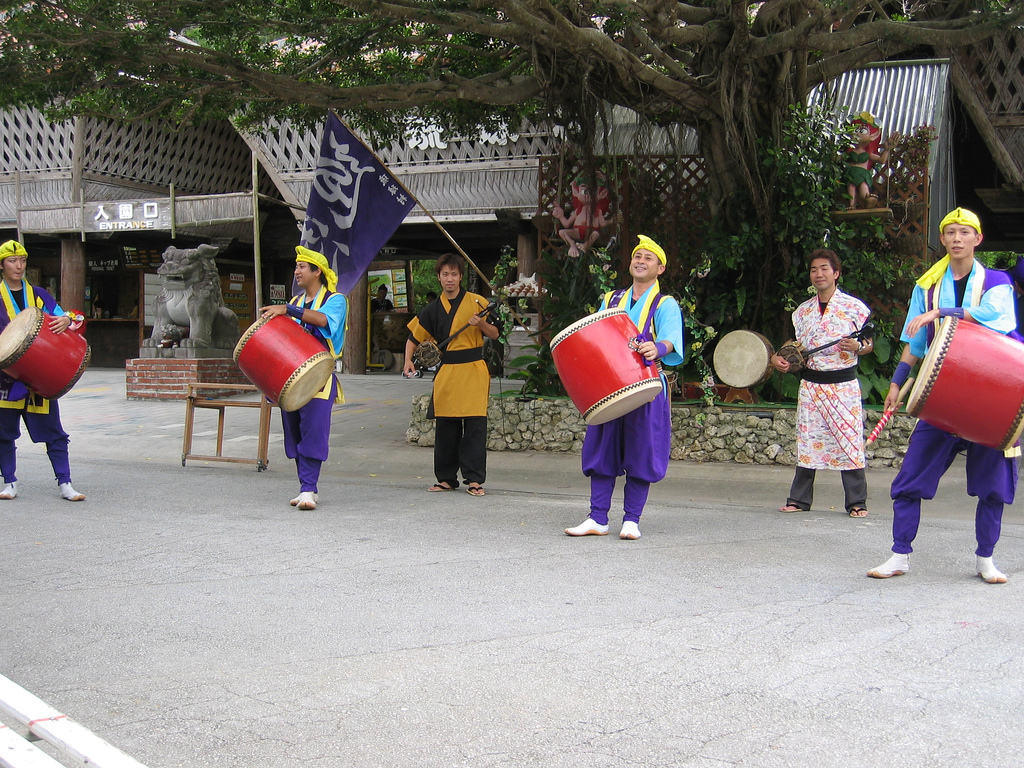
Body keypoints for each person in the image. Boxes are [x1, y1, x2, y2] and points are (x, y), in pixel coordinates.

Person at [868, 207, 1018, 583]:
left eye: (963, 232)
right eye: (949, 232)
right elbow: (914, 343)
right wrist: (897, 384)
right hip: (941, 396)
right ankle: (900, 554)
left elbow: (994, 318)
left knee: (993, 485)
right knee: (910, 477)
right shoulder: (927, 286)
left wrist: (939, 313)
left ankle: (986, 559)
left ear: (977, 239)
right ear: (943, 239)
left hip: (988, 395)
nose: (956, 238)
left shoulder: (998, 281)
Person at [565, 235, 684, 540]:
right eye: (637, 256)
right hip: (609, 386)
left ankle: (632, 519)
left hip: (647, 387)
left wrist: (657, 347)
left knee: (642, 450)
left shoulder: (665, 304)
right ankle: (597, 518)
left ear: (660, 268)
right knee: (602, 448)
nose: (640, 261)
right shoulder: (610, 299)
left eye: (648, 258)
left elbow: (671, 340)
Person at [771, 249, 873, 517]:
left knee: (849, 440)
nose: (819, 274)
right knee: (808, 441)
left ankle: (856, 502)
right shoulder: (802, 311)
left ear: (836, 273)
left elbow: (868, 344)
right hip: (812, 385)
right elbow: (794, 345)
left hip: (843, 385)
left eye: (825, 268)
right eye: (814, 269)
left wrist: (857, 346)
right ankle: (799, 500)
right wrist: (778, 358)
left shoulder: (854, 308)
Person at [402, 253, 499, 496]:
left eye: (454, 274)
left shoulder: (477, 301)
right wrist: (407, 362)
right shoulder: (432, 309)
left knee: (475, 425)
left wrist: (481, 325)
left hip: (474, 369)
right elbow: (413, 337)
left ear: (460, 277)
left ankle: (474, 480)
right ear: (439, 278)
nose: (450, 279)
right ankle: (445, 478)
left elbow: (495, 333)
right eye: (445, 274)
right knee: (446, 426)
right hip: (447, 371)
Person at [259, 246, 347, 511]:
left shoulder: (336, 299)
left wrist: (287, 310)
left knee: (313, 431)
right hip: (292, 376)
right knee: (295, 431)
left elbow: (322, 320)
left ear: (317, 271)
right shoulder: (295, 303)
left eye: (301, 267)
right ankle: (306, 487)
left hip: (319, 377)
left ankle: (308, 488)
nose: (296, 271)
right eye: (296, 266)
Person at [0, 240, 86, 502]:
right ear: (2, 265)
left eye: (22, 260)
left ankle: (65, 483)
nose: (19, 266)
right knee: (3, 433)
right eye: (13, 261)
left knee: (54, 433)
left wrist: (67, 320)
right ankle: (10, 483)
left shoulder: (38, 294)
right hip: (6, 379)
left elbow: (69, 316)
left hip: (39, 378)